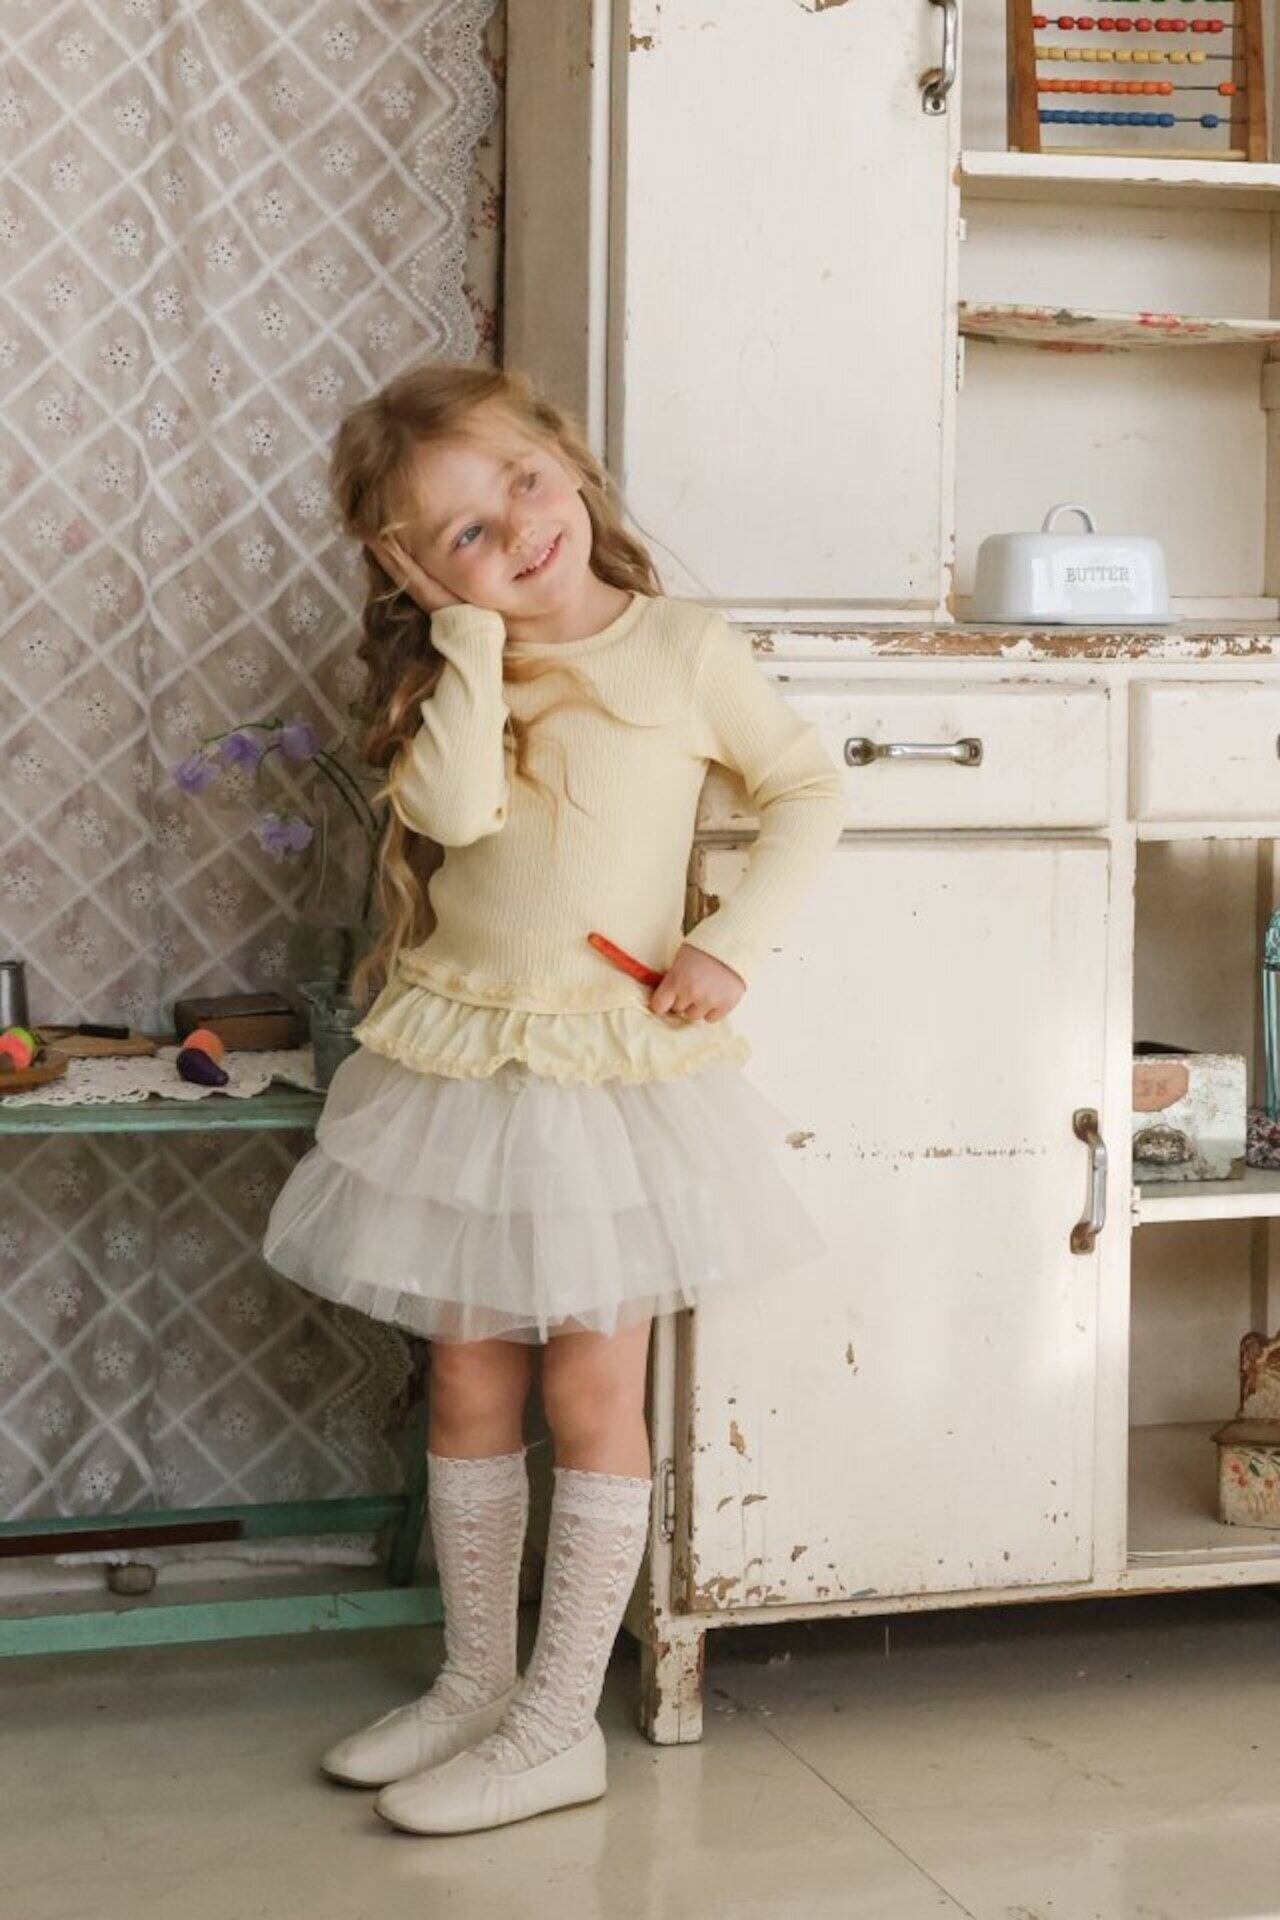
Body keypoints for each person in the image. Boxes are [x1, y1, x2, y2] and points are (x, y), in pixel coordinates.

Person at [262, 358, 846, 1835]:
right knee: (466, 1383)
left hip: (603, 1076)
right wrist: (463, 634)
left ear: (568, 462)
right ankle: (476, 1683)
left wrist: (730, 943)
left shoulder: (682, 648)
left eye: (523, 484)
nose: (519, 531)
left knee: (590, 1393)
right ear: (412, 569)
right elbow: (458, 814)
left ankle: (557, 1722)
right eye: (464, 532)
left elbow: (808, 791)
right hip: (465, 1067)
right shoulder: (458, 677)